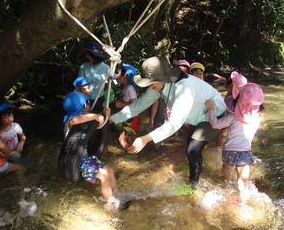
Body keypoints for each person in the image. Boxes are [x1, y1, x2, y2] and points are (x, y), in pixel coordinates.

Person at [110, 56, 226, 189]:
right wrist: (112, 119)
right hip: (196, 115)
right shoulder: (158, 85)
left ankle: (194, 186)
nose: (149, 85)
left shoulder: (184, 88)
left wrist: (146, 138)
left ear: (163, 78)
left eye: (151, 82)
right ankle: (196, 170)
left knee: (192, 149)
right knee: (192, 148)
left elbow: (174, 123)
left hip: (213, 115)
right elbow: (139, 105)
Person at [63, 91, 130, 210]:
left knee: (109, 170)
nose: (88, 105)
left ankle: (117, 195)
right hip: (77, 162)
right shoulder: (70, 122)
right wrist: (95, 116)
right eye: (86, 103)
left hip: (87, 158)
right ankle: (111, 203)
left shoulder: (84, 119)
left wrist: (104, 115)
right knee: (103, 175)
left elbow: (95, 122)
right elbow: (74, 121)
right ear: (82, 106)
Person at [205, 83, 264, 204]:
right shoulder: (257, 118)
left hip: (229, 151)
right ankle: (242, 205)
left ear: (238, 101)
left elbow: (216, 124)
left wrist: (210, 110)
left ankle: (227, 193)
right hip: (245, 153)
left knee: (226, 175)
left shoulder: (233, 117)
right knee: (243, 183)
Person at [78, 42, 110, 113]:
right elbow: (79, 83)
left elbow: (114, 82)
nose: (87, 56)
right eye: (87, 54)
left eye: (89, 55)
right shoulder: (84, 67)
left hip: (99, 99)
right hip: (84, 98)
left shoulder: (106, 68)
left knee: (96, 119)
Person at [115, 64, 140, 151]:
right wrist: (122, 104)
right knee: (129, 139)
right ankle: (132, 156)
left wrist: (121, 103)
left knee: (121, 139)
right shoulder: (126, 88)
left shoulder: (130, 88)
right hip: (130, 118)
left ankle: (131, 153)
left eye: (118, 73)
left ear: (125, 76)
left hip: (132, 118)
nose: (117, 75)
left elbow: (134, 103)